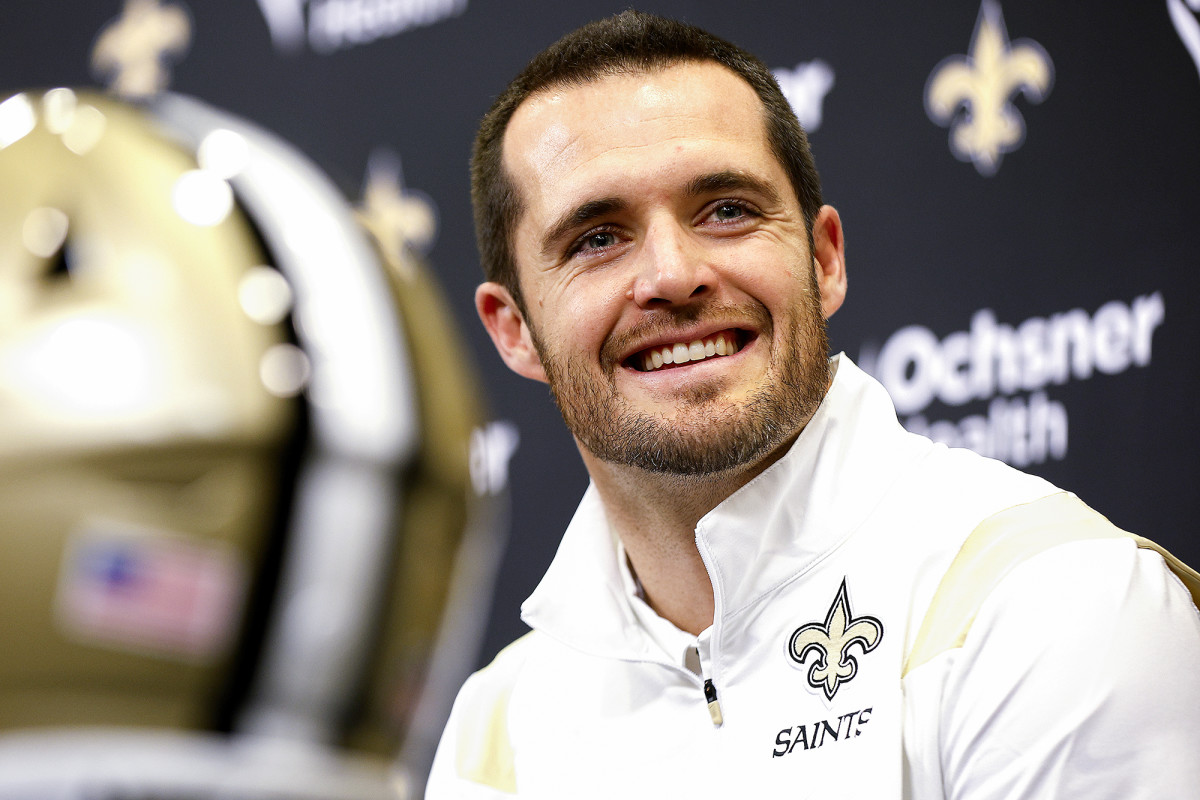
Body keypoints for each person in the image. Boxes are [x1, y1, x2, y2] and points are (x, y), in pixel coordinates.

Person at [426, 10, 1200, 799]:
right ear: (514, 330)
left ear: (824, 258)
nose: (673, 273)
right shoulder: (495, 733)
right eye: (597, 237)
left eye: (726, 209)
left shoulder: (1049, 600)